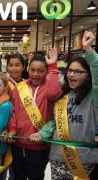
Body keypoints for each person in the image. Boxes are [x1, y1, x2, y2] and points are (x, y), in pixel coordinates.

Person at [29, 31, 98, 179]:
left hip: (83, 158)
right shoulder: (63, 96)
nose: (72, 74)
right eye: (70, 70)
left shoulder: (93, 96)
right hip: (57, 156)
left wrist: (89, 50)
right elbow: (54, 123)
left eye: (78, 72)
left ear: (88, 75)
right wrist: (41, 134)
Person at [7, 47, 62, 180]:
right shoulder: (19, 88)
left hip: (40, 145)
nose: (35, 74)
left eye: (41, 71)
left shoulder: (49, 88)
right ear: (28, 69)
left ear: (47, 72)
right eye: (32, 70)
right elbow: (13, 112)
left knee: (35, 176)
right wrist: (12, 129)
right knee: (18, 175)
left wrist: (53, 67)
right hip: (18, 143)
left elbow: (54, 94)